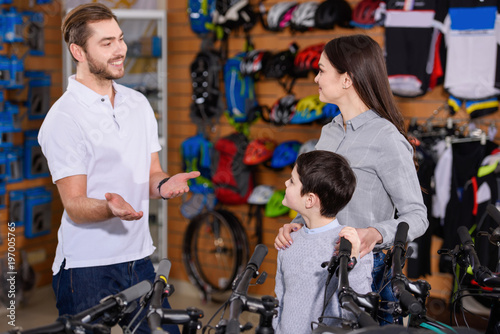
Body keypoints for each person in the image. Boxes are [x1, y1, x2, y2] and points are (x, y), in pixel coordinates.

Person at [38, 4, 198, 333]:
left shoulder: (137, 104)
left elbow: (151, 174)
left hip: (139, 259)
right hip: (85, 270)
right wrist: (111, 208)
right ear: (78, 51)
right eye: (107, 42)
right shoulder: (63, 118)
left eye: (121, 39)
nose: (121, 50)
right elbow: (75, 205)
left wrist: (164, 185)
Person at [274, 34, 429, 324]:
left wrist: (375, 233)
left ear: (347, 79)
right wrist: (296, 224)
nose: (316, 78)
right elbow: (321, 200)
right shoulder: (328, 132)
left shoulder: (386, 138)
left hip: (370, 274)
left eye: (321, 70)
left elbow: (417, 217)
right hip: (322, 268)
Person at [273, 150, 373, 334]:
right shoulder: (289, 241)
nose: (286, 183)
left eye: (292, 181)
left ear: (310, 200)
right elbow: (279, 298)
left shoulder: (348, 246)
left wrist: (354, 261)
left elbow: (358, 311)